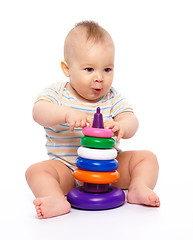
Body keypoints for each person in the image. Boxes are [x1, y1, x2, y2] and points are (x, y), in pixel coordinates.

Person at [25, 21, 160, 219]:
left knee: (147, 158)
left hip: (108, 169)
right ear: (67, 69)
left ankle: (139, 187)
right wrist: (66, 113)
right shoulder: (58, 93)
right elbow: (38, 112)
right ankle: (55, 198)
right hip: (68, 169)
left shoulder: (113, 97)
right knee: (35, 172)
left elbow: (132, 120)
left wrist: (122, 125)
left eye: (107, 69)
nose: (99, 78)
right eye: (89, 69)